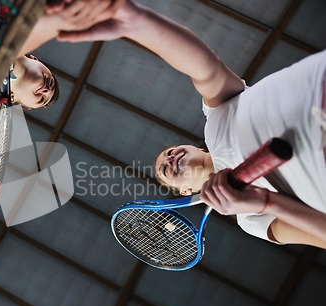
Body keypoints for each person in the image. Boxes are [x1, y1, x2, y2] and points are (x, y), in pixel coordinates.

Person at [58, 0, 326, 249]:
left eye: (170, 151)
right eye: (166, 167)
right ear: (186, 192)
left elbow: (206, 69)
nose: (171, 157)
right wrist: (267, 203)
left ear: (197, 148)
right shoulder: (249, 218)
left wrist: (140, 22)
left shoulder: (216, 119)